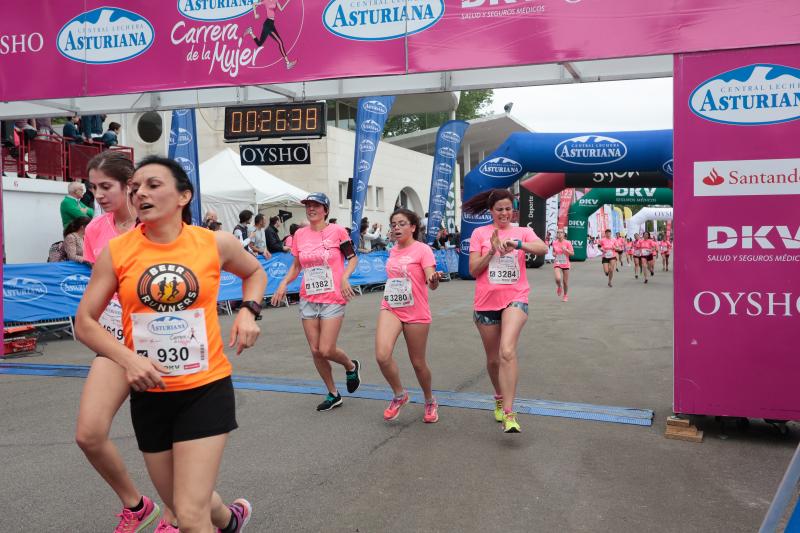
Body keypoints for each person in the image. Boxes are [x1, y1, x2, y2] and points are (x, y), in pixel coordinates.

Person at [75, 155, 266, 533]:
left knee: (190, 517)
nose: (140, 193)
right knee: (181, 505)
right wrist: (127, 359)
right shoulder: (118, 251)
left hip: (205, 389)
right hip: (150, 393)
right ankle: (229, 520)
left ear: (184, 196)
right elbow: (85, 322)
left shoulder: (215, 243)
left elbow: (255, 271)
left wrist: (249, 311)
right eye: (135, 189)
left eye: (152, 185)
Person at [74, 151, 181, 532]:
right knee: (88, 433)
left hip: (160, 339)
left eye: (106, 187)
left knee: (166, 440)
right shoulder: (95, 231)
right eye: (92, 188)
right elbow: (97, 290)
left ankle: (176, 515)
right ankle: (136, 506)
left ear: (127, 186)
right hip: (115, 341)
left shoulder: (155, 222)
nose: (98, 195)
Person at [464, 188, 547, 433]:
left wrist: (518, 244)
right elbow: (472, 270)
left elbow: (542, 248)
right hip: (486, 302)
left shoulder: (522, 231)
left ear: (514, 210)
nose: (504, 213)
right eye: (499, 209)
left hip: (516, 298)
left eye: (508, 209)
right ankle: (499, 397)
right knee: (493, 360)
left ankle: (510, 413)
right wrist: (491, 250)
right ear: (491, 211)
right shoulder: (480, 233)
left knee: (507, 351)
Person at [270, 193, 362, 411]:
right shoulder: (300, 235)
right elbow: (296, 266)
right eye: (308, 206)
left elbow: (353, 258)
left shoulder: (338, 232)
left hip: (332, 296)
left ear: (326, 210)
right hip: (309, 297)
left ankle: (350, 366)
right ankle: (333, 393)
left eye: (316, 206)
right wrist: (283, 283)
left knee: (326, 348)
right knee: (315, 350)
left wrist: (345, 277)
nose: (311, 209)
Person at [375, 208, 442, 422]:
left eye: (402, 223)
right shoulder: (392, 250)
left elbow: (431, 278)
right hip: (392, 307)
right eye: (394, 224)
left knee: (418, 363)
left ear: (413, 227)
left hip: (416, 310)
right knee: (382, 355)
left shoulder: (422, 250)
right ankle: (399, 394)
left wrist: (433, 279)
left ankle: (430, 400)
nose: (397, 227)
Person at [245, 0, 297, 69]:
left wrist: (287, 1)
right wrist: (255, 14)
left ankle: (250, 32)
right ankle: (288, 63)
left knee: (260, 43)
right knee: (280, 43)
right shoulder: (266, 1)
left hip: (271, 24)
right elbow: (254, 4)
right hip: (268, 24)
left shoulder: (276, 1)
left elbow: (281, 9)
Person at [551, 228, 574, 302]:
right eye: (558, 232)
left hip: (565, 263)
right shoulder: (554, 242)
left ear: (564, 234)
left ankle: (565, 295)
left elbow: (572, 253)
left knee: (565, 282)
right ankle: (559, 286)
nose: (559, 234)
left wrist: (566, 250)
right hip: (557, 262)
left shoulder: (568, 243)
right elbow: (553, 252)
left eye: (561, 232)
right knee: (558, 278)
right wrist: (554, 254)